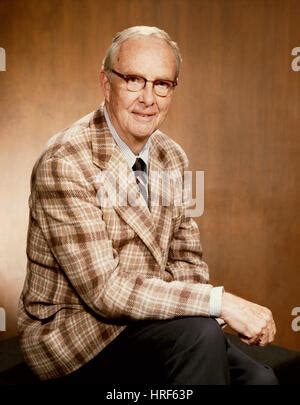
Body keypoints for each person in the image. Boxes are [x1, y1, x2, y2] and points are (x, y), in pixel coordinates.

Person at [18, 26, 278, 385]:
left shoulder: (172, 156)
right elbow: (106, 292)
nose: (148, 98)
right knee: (201, 337)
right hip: (79, 336)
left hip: (151, 320)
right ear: (106, 84)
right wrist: (220, 305)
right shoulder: (66, 162)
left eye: (161, 84)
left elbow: (187, 260)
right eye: (134, 80)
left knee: (260, 380)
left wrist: (205, 312)